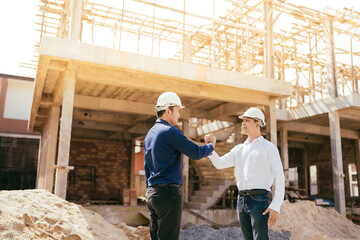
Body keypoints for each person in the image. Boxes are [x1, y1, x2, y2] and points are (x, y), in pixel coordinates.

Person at [205, 107, 285, 240]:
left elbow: (280, 176)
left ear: (257, 123)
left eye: (247, 120)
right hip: (241, 200)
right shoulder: (239, 149)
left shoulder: (269, 148)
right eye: (243, 120)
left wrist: (276, 205)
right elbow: (219, 163)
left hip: (260, 200)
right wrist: (210, 148)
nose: (243, 123)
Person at [144, 92, 215, 240]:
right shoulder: (170, 131)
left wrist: (150, 190)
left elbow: (147, 167)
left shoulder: (150, 134)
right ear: (168, 110)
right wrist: (210, 146)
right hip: (168, 194)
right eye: (177, 110)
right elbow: (195, 152)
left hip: (152, 193)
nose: (179, 114)